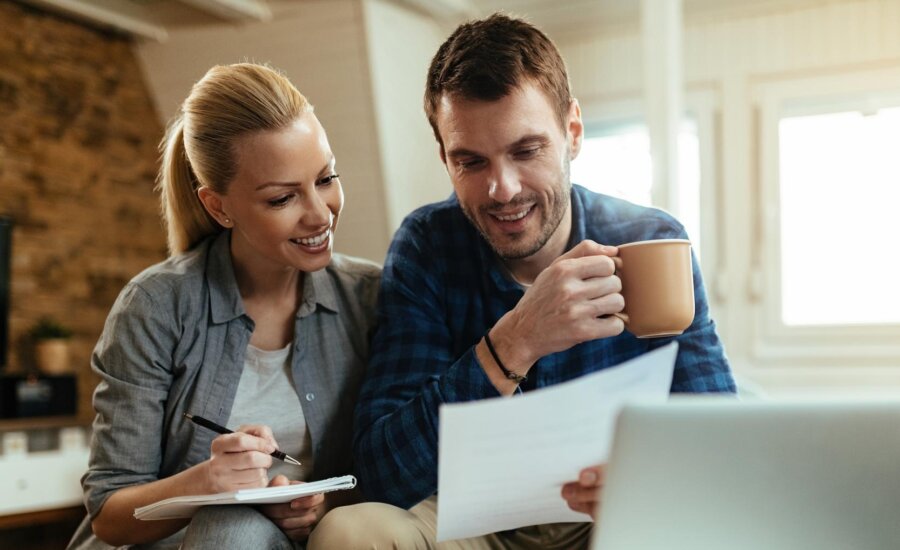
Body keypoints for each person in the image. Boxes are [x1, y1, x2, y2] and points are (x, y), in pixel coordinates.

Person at [309, 13, 736, 549]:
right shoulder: (428, 246)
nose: (502, 190)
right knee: (350, 532)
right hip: (473, 520)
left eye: (526, 150)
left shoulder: (652, 240)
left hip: (614, 515)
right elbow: (380, 472)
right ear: (444, 157)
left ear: (572, 133)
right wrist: (515, 340)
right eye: (471, 161)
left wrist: (651, 481)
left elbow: (722, 439)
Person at [66, 63, 380, 550]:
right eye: (282, 198)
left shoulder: (369, 296)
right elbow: (109, 516)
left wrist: (319, 507)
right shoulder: (154, 307)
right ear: (219, 207)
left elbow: (397, 462)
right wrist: (206, 483)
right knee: (230, 528)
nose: (320, 213)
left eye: (326, 178)